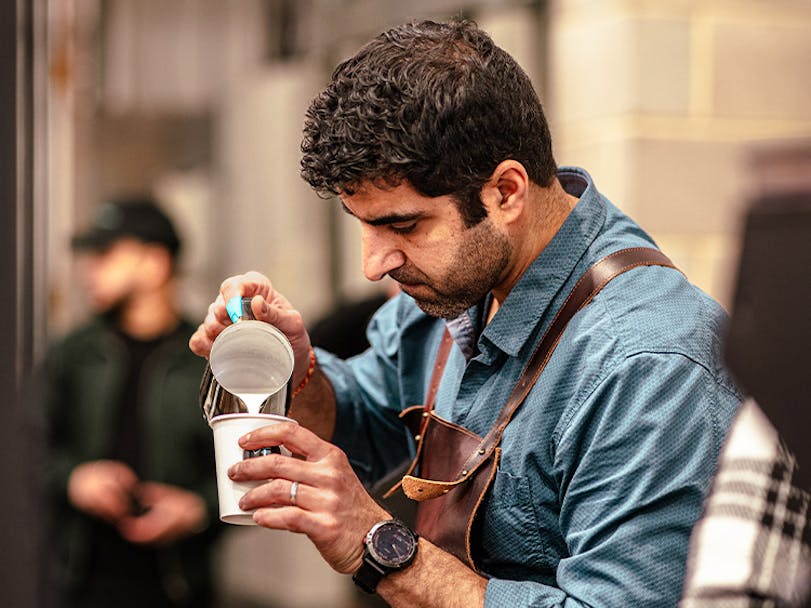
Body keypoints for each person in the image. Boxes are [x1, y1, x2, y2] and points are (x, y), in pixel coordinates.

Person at [189, 19, 742, 607]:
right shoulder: (454, 288)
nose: (374, 265)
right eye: (363, 226)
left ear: (506, 191)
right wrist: (297, 372)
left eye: (402, 225)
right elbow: (362, 423)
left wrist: (373, 542)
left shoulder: (648, 366)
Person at [43, 197, 222, 607]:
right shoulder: (74, 353)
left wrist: (196, 510)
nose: (89, 270)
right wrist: (74, 480)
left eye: (105, 254)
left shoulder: (208, 358)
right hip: (79, 583)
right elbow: (24, 448)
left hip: (179, 587)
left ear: (155, 264)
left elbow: (250, 469)